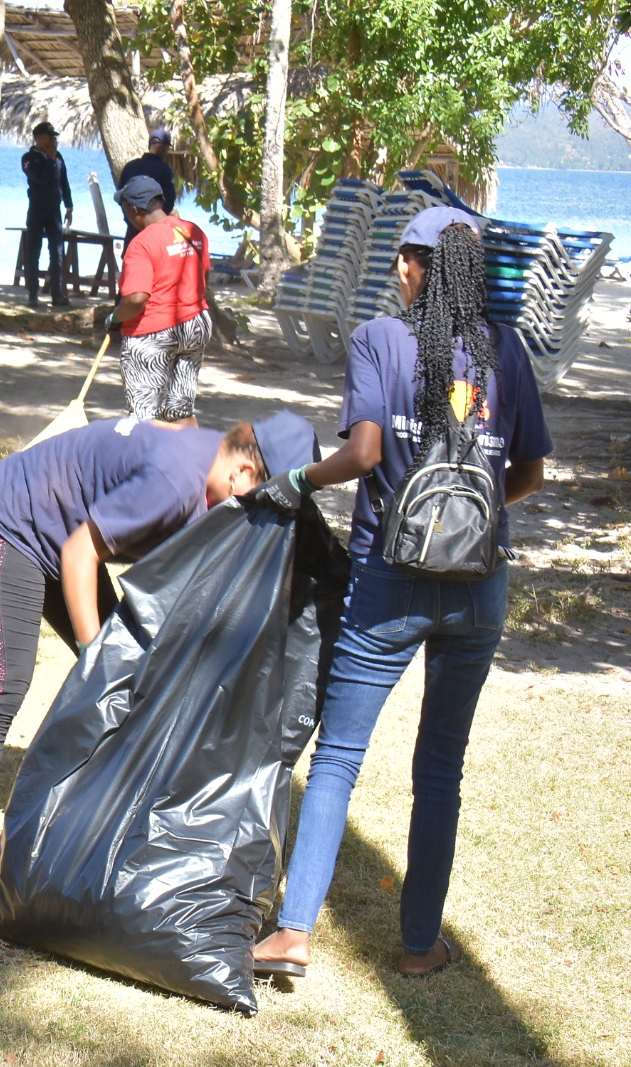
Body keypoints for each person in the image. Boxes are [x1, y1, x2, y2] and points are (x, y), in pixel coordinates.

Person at [248, 207, 551, 979]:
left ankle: (294, 931)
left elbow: (364, 453)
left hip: (391, 575)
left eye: (407, 260)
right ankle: (419, 945)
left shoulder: (382, 340)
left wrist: (295, 482)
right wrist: (467, 520)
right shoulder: (505, 351)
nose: (398, 271)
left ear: (426, 265)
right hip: (481, 584)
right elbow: (528, 474)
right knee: (441, 764)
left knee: (341, 753)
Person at [0, 411, 320, 896]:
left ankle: (99, 817)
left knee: (133, 674)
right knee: (4, 685)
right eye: (262, 503)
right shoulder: (175, 480)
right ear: (243, 473)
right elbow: (81, 554)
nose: (258, 519)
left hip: (65, 537)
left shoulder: (209, 477)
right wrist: (92, 653)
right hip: (7, 526)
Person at [103, 175, 211, 426]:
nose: (125, 215)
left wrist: (115, 317)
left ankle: (149, 463)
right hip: (195, 325)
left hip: (154, 333)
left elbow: (137, 299)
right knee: (181, 410)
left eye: (125, 209)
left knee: (144, 416)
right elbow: (203, 275)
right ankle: (194, 463)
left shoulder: (141, 244)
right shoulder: (194, 232)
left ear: (134, 209)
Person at [21, 120, 74, 307]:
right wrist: (49, 160)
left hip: (55, 211)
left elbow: (64, 182)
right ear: (39, 138)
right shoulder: (29, 158)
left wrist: (69, 206)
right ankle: (33, 293)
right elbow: (41, 179)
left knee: (57, 252)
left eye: (54, 137)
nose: (53, 140)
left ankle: (57, 293)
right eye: (49, 137)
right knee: (34, 251)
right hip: (36, 209)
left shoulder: (58, 158)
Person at [118, 129, 178, 248]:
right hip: (155, 233)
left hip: (132, 231)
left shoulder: (130, 167)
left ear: (149, 145)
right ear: (164, 148)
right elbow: (169, 203)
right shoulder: (164, 171)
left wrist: (132, 222)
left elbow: (122, 198)